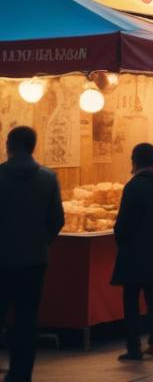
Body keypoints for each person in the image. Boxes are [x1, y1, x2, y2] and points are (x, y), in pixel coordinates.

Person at [0, 126, 63, 382]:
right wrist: (40, 242)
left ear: (9, 145)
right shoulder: (48, 178)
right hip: (35, 261)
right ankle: (21, 374)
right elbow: (57, 219)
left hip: (2, 260)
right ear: (33, 146)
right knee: (26, 320)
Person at [112, 143, 153, 362]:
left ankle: (133, 347)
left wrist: (121, 240)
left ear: (134, 161)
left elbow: (123, 224)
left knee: (131, 300)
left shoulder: (133, 187)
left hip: (135, 254)